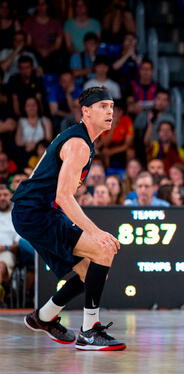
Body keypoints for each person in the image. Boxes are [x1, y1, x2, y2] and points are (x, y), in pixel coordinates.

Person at [11, 87, 126, 350]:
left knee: (92, 272)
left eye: (111, 106)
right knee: (103, 250)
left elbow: (61, 194)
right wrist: (96, 232)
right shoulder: (78, 145)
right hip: (35, 213)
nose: (110, 111)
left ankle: (44, 317)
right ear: (86, 112)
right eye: (103, 106)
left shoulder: (83, 140)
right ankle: (89, 332)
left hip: (39, 212)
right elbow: (63, 196)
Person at [0, 184, 19, 302]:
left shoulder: (16, 215)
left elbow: (18, 245)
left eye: (5, 195)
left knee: (0, 266)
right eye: (0, 195)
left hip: (7, 253)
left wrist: (4, 247)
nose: (2, 198)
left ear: (11, 196)